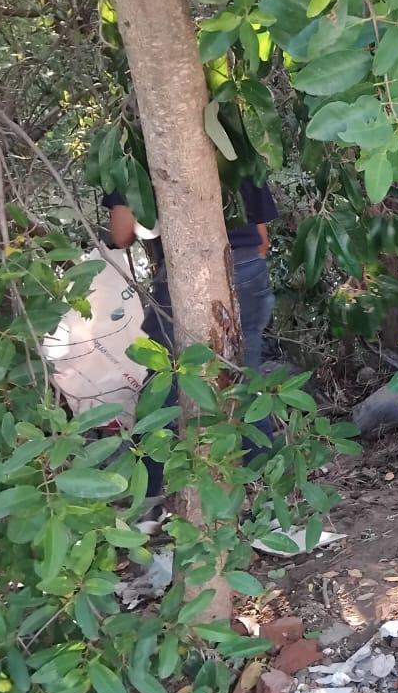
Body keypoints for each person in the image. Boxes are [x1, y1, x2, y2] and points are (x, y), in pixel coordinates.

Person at [104, 176, 279, 499]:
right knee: (246, 385)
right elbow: (262, 239)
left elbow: (121, 233)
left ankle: (149, 503)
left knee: (163, 385)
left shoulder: (131, 154)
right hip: (249, 267)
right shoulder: (235, 141)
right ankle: (267, 505)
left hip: (189, 272)